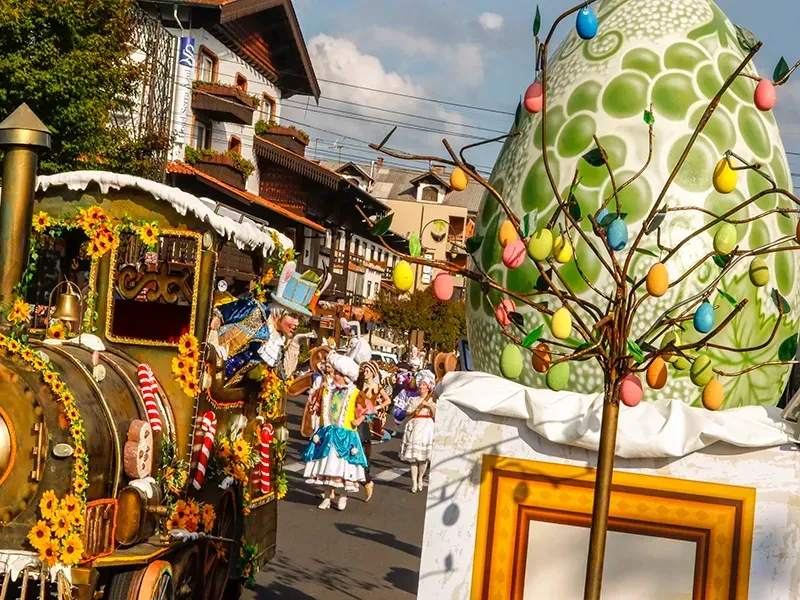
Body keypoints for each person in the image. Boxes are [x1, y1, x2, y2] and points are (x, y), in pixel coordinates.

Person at [301, 353, 367, 510]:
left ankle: (343, 496)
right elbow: (316, 407)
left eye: (338, 373)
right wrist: (314, 407)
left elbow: (366, 411)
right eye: (335, 373)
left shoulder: (355, 393)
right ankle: (328, 496)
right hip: (327, 433)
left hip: (346, 435)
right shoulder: (326, 391)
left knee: (343, 467)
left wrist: (358, 420)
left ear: (345, 376)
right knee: (325, 466)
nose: (335, 375)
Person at [352, 361, 393, 502]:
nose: (366, 372)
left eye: (369, 370)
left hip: (368, 419)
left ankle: (365, 476)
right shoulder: (358, 384)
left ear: (373, 373)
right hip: (355, 415)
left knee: (363, 447)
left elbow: (388, 400)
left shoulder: (377, 387)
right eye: (365, 370)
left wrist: (378, 406)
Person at [400, 370, 436, 493]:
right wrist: (413, 411)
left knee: (423, 458)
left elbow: (436, 415)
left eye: (424, 385)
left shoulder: (432, 400)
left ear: (428, 387)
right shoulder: (413, 399)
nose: (421, 386)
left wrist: (429, 406)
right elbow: (406, 413)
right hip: (414, 426)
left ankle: (420, 478)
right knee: (413, 458)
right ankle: (414, 482)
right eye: (420, 384)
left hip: (426, 427)